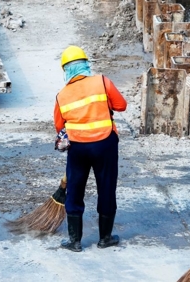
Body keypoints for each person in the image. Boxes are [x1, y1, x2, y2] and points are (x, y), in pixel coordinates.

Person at [54, 45, 127, 252]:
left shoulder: (62, 95)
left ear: (66, 70)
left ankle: (75, 241)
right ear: (86, 64)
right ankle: (105, 238)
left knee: (75, 190)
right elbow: (121, 106)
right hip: (105, 144)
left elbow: (60, 127)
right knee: (106, 187)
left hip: (77, 148)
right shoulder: (102, 82)